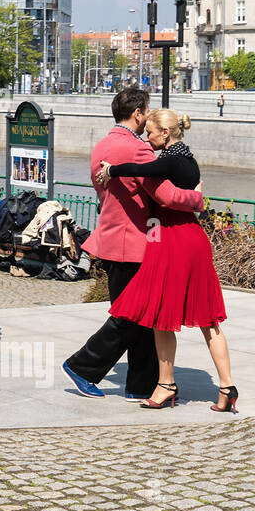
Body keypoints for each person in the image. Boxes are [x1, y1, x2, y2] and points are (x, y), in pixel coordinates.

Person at [61, 88, 204, 400]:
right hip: (136, 242)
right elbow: (165, 195)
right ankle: (83, 366)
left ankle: (141, 386)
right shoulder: (138, 150)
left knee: (141, 318)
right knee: (133, 316)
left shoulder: (102, 144)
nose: (147, 120)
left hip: (110, 237)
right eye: (147, 112)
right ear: (138, 113)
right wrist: (197, 198)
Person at [98, 111, 235, 411]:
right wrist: (197, 199)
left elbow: (143, 172)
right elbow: (185, 194)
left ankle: (165, 385)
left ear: (166, 133)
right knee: (209, 320)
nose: (147, 138)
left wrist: (112, 169)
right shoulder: (189, 160)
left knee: (162, 318)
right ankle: (226, 386)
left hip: (171, 240)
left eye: (151, 132)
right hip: (195, 239)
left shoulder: (170, 160)